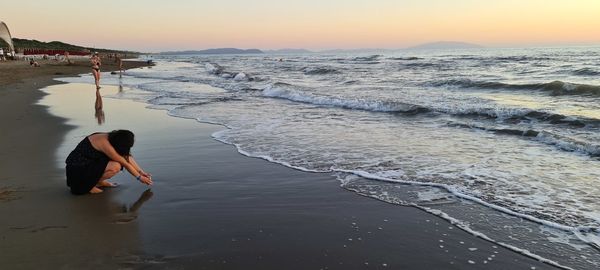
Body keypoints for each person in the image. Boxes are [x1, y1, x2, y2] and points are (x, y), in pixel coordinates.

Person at [65, 130, 153, 195]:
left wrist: (141, 172)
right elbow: (125, 163)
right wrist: (139, 178)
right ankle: (88, 187)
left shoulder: (113, 138)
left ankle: (99, 182)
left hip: (89, 163)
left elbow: (127, 156)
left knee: (116, 164)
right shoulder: (106, 144)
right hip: (77, 170)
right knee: (116, 166)